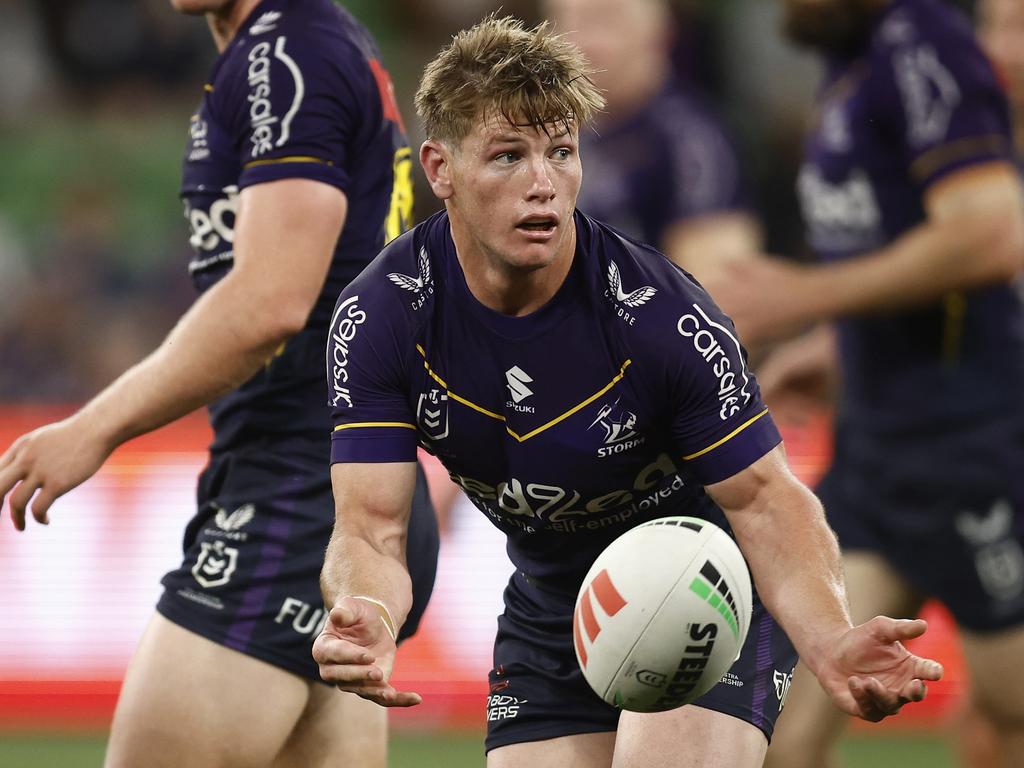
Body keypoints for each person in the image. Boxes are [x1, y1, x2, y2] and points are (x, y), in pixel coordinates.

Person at [310, 15, 943, 768]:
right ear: (440, 169)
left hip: (703, 583)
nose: (543, 183)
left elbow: (767, 500)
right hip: (553, 607)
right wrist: (370, 613)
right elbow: (373, 530)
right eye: (508, 156)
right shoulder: (378, 317)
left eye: (561, 152)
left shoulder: (661, 317)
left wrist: (831, 636)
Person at [0, 1, 439, 766]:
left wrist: (93, 427)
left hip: (300, 494)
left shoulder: (287, 53)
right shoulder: (301, 45)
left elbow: (270, 301)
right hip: (339, 482)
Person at [695, 2, 1024, 767]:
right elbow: (901, 239)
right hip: (876, 459)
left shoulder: (926, 43)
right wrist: (837, 342)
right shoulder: (854, 63)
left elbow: (988, 231)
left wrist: (803, 296)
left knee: (1003, 725)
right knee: (775, 734)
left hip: (979, 454)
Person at [543, 0, 762, 283]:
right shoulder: (544, 130)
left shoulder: (694, 142)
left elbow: (717, 297)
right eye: (567, 23)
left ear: (658, 34)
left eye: (603, 21)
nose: (582, 41)